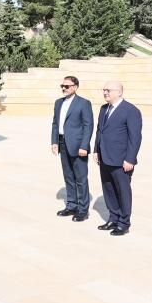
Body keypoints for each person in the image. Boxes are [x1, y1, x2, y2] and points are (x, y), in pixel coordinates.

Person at [92, 81, 142, 236]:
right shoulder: (104, 109)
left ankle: (124, 223)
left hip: (121, 160)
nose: (105, 92)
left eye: (108, 90)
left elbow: (135, 138)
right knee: (108, 189)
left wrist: (130, 159)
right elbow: (100, 131)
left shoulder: (131, 111)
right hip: (104, 157)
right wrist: (96, 150)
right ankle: (113, 218)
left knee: (123, 191)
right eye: (104, 90)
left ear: (119, 92)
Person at [50, 75, 94, 221]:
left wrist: (84, 146)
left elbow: (88, 126)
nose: (64, 88)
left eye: (67, 86)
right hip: (62, 143)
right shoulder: (58, 103)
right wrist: (54, 141)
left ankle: (83, 209)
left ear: (75, 87)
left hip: (77, 145)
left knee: (81, 178)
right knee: (68, 176)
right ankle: (71, 205)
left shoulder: (83, 103)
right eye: (62, 86)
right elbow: (55, 123)